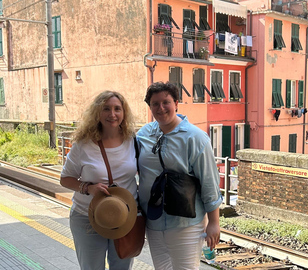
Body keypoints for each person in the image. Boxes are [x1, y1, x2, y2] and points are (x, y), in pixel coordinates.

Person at [137, 81, 222, 270]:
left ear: (176, 103)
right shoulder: (144, 134)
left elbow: (209, 181)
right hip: (154, 221)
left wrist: (214, 222)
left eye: (166, 102)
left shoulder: (195, 138)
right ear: (149, 107)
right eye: (155, 104)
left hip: (186, 224)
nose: (161, 108)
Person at [60, 91, 137, 270]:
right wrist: (88, 188)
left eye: (117, 109)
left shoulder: (132, 140)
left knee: (122, 268)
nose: (112, 114)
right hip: (87, 217)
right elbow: (65, 179)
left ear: (124, 113)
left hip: (124, 217)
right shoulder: (83, 144)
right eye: (106, 109)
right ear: (97, 113)